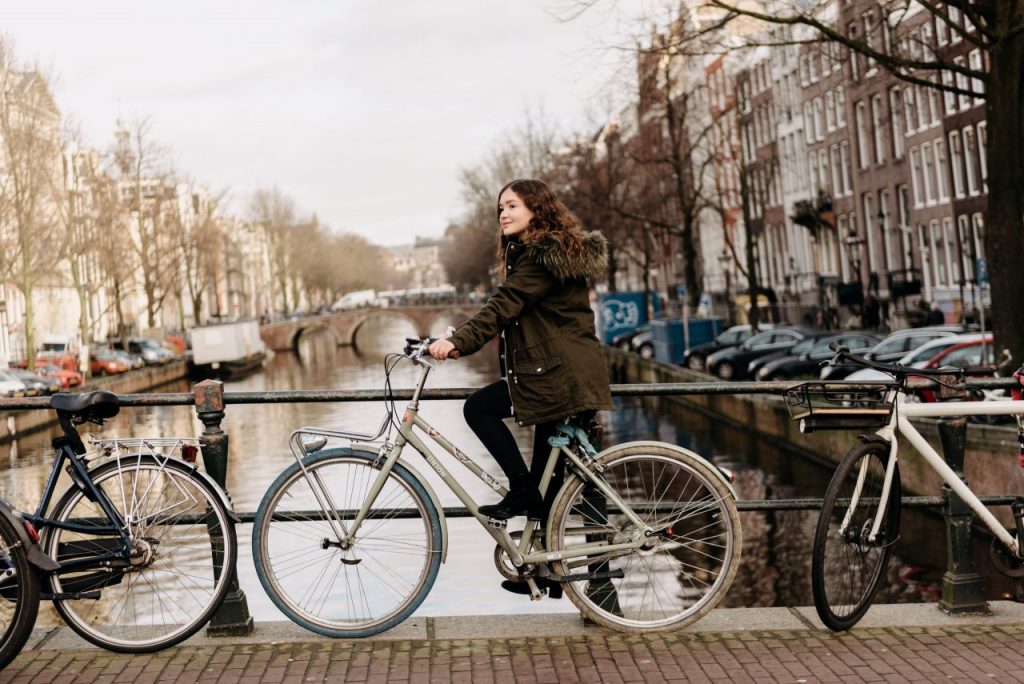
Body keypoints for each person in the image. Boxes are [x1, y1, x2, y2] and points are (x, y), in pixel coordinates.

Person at [427, 179, 613, 525]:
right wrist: (454, 336)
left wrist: (458, 343)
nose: (503, 214)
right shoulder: (535, 253)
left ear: (537, 209)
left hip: (559, 377)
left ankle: (521, 491)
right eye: (501, 208)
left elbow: (504, 306)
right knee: (547, 492)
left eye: (512, 205)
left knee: (478, 408)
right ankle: (542, 570)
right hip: (552, 373)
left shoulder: (544, 257)